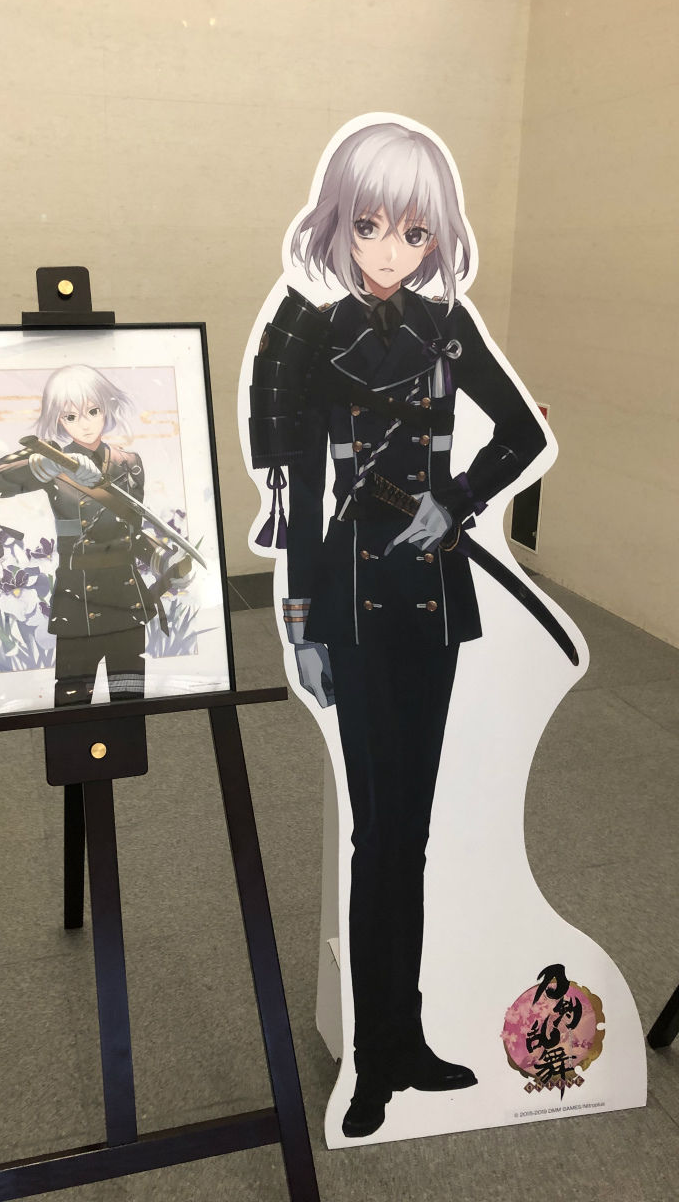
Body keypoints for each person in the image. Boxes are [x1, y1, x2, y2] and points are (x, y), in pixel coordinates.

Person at [248, 121, 550, 1137]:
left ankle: (403, 1038)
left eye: (412, 232)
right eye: (370, 225)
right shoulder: (311, 332)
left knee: (407, 834)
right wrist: (300, 623)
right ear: (339, 222)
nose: (389, 250)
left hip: (430, 597)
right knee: (379, 832)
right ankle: (376, 1058)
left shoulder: (446, 328)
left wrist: (454, 499)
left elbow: (523, 434)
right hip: (350, 598)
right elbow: (296, 489)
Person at [0, 364, 155, 705]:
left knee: (130, 698)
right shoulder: (50, 459)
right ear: (58, 419)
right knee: (73, 700)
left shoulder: (128, 461)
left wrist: (161, 559)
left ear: (107, 408)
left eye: (93, 411)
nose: (85, 423)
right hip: (78, 598)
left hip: (126, 595)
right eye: (71, 416)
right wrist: (44, 465)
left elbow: (134, 528)